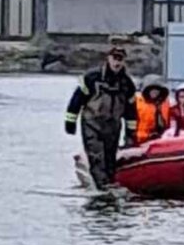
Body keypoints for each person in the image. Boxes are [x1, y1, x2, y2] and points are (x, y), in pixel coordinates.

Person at [65, 46, 138, 190]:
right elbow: (77, 100)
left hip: (113, 127)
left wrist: (130, 135)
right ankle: (103, 188)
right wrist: (70, 122)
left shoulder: (127, 84)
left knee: (110, 160)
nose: (117, 63)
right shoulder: (92, 77)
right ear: (108, 58)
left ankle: (109, 184)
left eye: (120, 59)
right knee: (97, 157)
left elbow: (131, 112)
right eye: (114, 58)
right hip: (92, 124)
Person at [133, 74, 171, 145]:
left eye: (157, 90)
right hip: (141, 140)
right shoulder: (138, 103)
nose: (154, 92)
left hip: (161, 139)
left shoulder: (166, 104)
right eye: (151, 89)